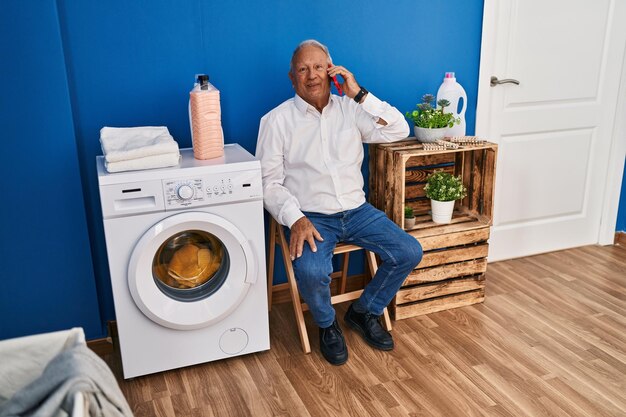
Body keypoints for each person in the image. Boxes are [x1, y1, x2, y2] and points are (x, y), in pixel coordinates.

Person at [256, 39, 422, 365]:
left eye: (319, 67)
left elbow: (400, 129)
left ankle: (363, 311)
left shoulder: (352, 109)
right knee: (311, 270)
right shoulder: (276, 121)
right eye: (303, 69)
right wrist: (295, 218)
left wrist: (359, 93)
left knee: (408, 251)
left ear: (331, 71)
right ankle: (327, 324)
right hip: (313, 217)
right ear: (292, 78)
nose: (312, 75)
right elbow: (267, 183)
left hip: (358, 212)